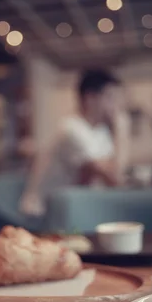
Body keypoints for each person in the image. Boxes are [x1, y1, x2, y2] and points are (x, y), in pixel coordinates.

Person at [19, 69, 130, 217]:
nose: (116, 106)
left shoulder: (100, 132)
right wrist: (121, 129)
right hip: (42, 213)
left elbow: (115, 173)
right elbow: (115, 179)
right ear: (90, 99)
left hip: (70, 209)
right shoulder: (71, 130)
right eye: (110, 98)